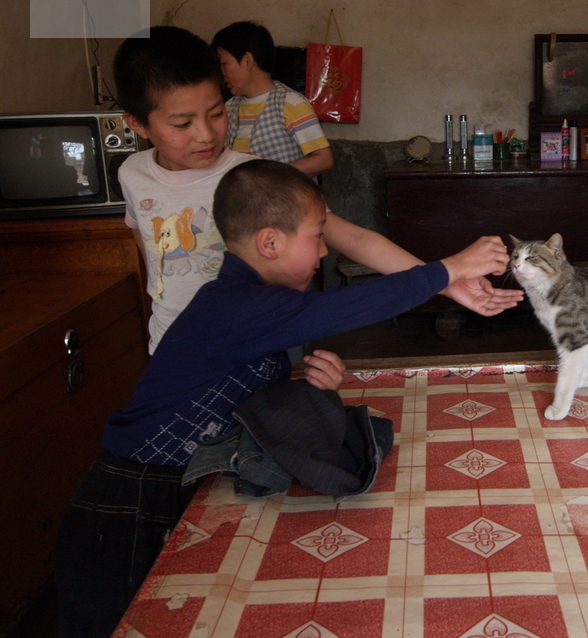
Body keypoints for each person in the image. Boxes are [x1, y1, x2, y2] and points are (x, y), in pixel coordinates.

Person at [54, 158, 512, 637]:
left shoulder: (253, 301)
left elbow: (241, 395)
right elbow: (347, 307)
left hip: (182, 485)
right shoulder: (234, 305)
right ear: (269, 243)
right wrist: (450, 269)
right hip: (129, 501)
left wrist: (310, 388)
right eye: (317, 236)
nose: (324, 251)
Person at [114, 26, 521, 353]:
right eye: (183, 124)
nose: (205, 134)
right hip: (171, 345)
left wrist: (446, 282)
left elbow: (355, 239)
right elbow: (150, 254)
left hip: (253, 341)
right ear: (136, 123)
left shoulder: (250, 177)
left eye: (217, 113)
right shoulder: (132, 175)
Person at [211, 21, 333, 178]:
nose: (221, 72)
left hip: (282, 194)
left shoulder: (290, 103)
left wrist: (271, 177)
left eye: (224, 63)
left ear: (247, 61)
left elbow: (324, 160)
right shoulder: (229, 108)